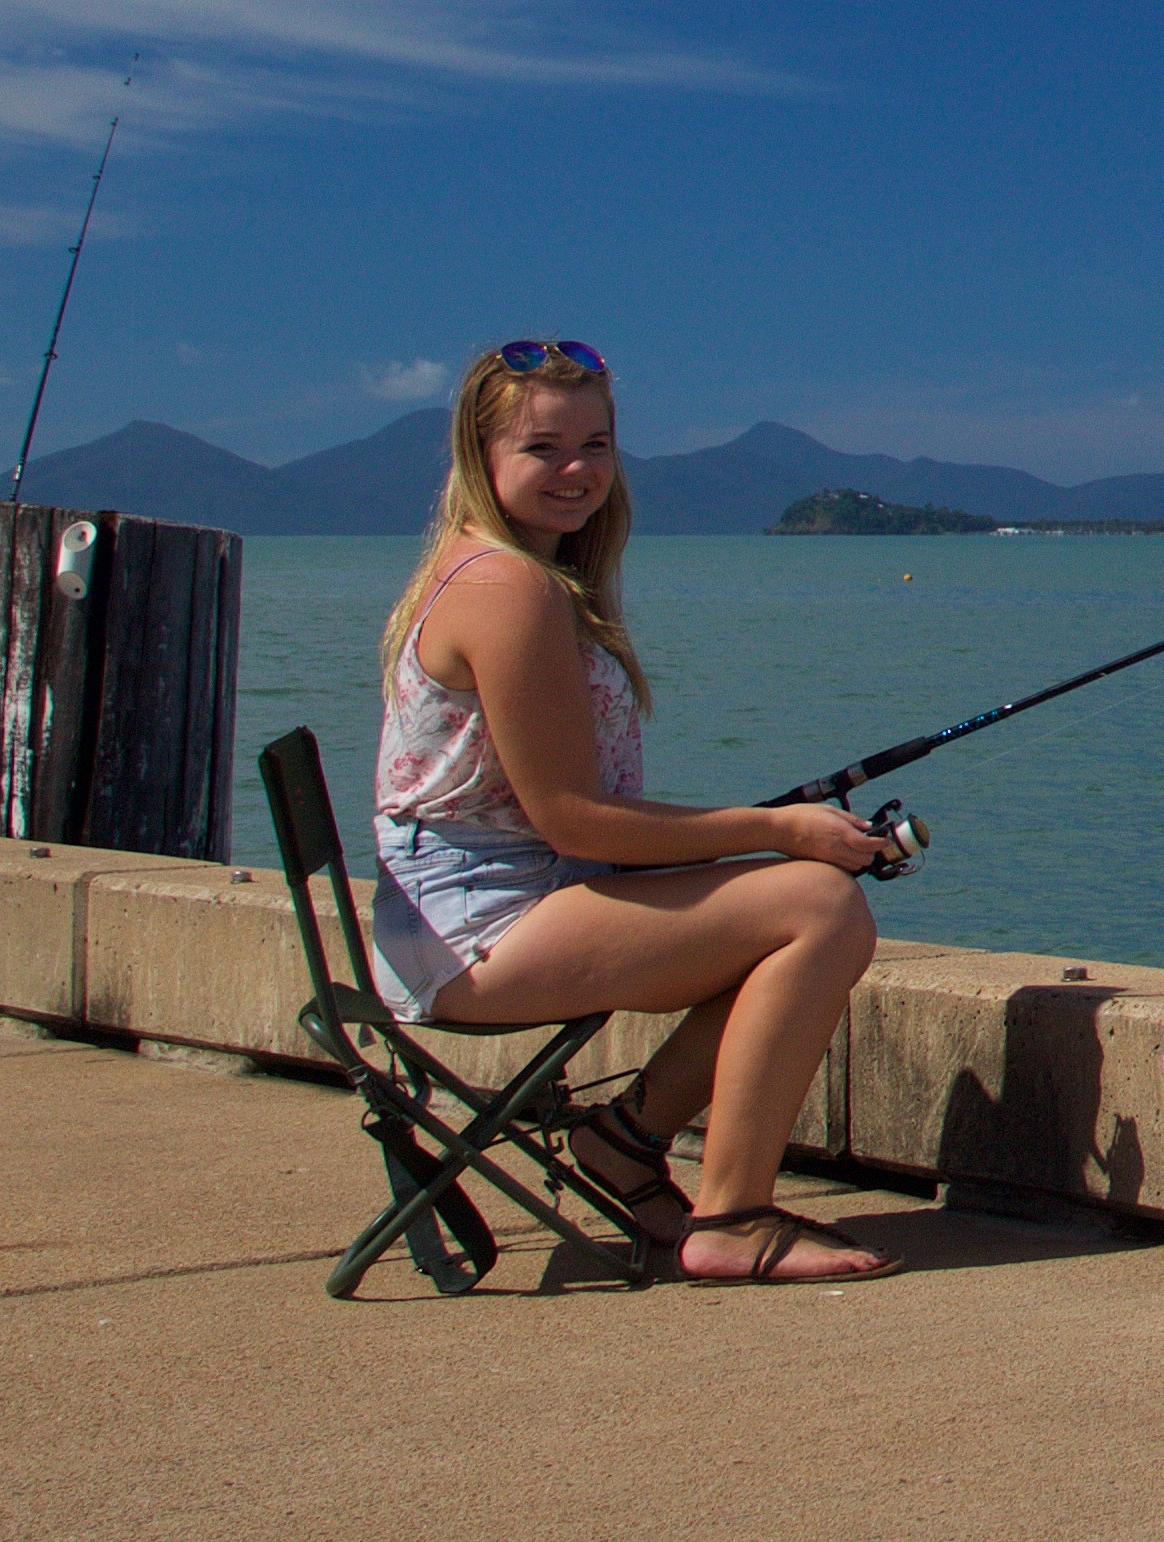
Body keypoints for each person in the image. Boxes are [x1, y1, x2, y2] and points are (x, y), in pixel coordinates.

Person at [372, 340, 894, 1285]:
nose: (578, 470)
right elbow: (574, 820)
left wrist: (755, 838)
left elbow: (570, 820)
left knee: (788, 906)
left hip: (482, 908)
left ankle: (624, 1142)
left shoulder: (509, 572)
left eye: (597, 444)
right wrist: (777, 828)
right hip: (480, 933)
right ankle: (730, 1217)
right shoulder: (507, 588)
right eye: (544, 448)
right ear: (480, 457)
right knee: (817, 906)